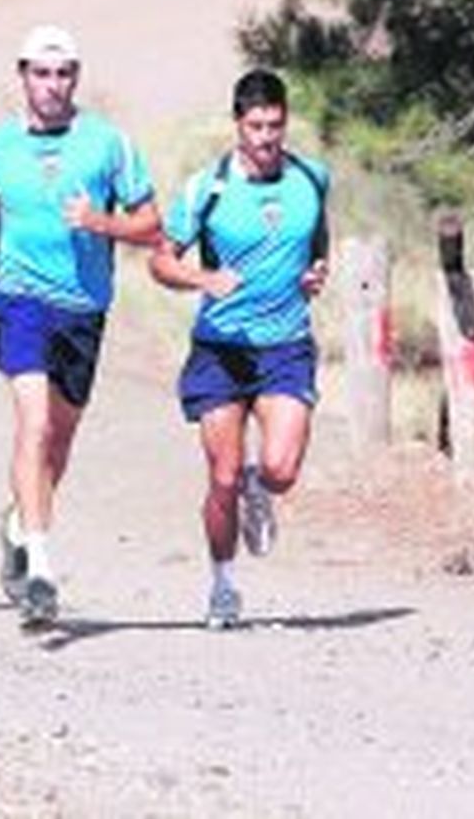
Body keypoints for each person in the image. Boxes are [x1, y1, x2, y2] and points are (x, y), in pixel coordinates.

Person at [0, 25, 160, 628]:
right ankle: (40, 569)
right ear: (22, 77)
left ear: (76, 79)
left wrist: (100, 222)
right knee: (34, 424)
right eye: (41, 73)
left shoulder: (107, 144)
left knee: (57, 444)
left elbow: (150, 224)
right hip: (19, 299)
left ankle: (17, 524)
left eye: (63, 74)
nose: (52, 85)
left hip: (84, 307)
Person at [148, 68, 330, 630]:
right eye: (255, 126)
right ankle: (223, 586)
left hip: (285, 345)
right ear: (237, 126)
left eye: (275, 125)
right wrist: (202, 281)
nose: (266, 138)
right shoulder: (209, 188)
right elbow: (160, 259)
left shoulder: (311, 178)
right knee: (221, 478)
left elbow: (316, 240)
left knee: (279, 470)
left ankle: (262, 488)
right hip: (221, 351)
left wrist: (317, 271)